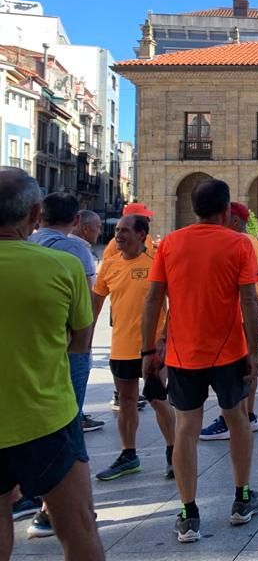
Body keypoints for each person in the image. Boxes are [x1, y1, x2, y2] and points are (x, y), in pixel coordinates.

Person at [142, 178, 258, 543]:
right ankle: (242, 499)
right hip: (229, 351)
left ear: (194, 209)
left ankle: (188, 513)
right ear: (226, 210)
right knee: (236, 418)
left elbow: (153, 300)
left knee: (186, 429)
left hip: (182, 354)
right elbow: (250, 301)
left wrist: (149, 350)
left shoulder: (171, 243)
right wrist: (255, 352)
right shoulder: (239, 243)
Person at [0, 170, 104, 559]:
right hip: (46, 418)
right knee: (78, 528)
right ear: (33, 214)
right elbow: (80, 342)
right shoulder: (63, 266)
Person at [92, 214, 176, 481]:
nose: (119, 234)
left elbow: (175, 305)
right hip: (120, 347)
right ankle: (129, 455)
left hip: (151, 350)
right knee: (126, 401)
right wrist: (86, 339)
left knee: (157, 399)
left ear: (142, 235)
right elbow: (96, 303)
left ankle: (174, 453)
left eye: (125, 230)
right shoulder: (109, 264)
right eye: (117, 230)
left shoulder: (156, 263)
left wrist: (163, 340)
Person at [28, 193, 104, 435]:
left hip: (34, 335)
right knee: (70, 400)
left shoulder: (28, 241)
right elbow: (87, 297)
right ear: (75, 220)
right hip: (67, 338)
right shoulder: (73, 247)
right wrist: (86, 342)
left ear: (39, 216)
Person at [200, 203, 258, 439]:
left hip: (238, 315)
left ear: (234, 220)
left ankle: (231, 419)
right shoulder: (252, 242)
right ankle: (248, 414)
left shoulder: (239, 243)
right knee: (247, 367)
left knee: (237, 371)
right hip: (247, 315)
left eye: (224, 216)